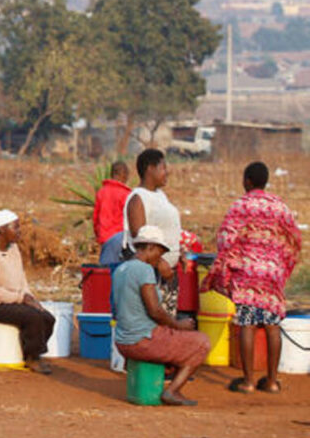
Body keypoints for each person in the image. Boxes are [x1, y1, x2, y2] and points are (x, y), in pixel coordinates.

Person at [202, 161, 302, 394]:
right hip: (272, 273)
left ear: (247, 181)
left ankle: (247, 381)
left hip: (247, 273)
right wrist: (280, 264)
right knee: (271, 323)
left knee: (246, 323)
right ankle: (272, 381)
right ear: (265, 181)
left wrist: (227, 265)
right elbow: (294, 238)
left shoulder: (240, 206)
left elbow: (226, 238)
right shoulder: (279, 206)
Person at [112, 225, 210, 406]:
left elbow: (117, 309)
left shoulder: (121, 269)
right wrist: (178, 325)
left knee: (177, 337)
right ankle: (173, 391)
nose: (161, 257)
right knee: (202, 342)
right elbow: (155, 311)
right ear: (150, 247)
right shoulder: (144, 270)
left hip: (122, 341)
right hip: (142, 340)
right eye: (160, 251)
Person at [0, 210, 56, 374]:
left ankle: (28, 351)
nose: (19, 231)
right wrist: (20, 298)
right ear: (2, 229)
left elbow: (21, 279)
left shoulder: (13, 249)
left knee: (47, 317)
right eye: (15, 227)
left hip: (11, 300)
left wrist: (30, 297)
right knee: (32, 317)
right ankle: (32, 357)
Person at [124, 148, 182, 314]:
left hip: (168, 274)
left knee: (167, 326)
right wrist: (160, 263)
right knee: (155, 322)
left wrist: (179, 253)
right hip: (153, 274)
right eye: (163, 167)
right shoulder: (138, 198)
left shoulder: (161, 195)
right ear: (150, 168)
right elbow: (139, 239)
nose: (167, 172)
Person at [94, 161, 131, 266]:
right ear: (122, 174)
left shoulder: (102, 192)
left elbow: (95, 217)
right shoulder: (126, 194)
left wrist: (98, 234)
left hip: (104, 237)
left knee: (106, 270)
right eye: (126, 174)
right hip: (120, 238)